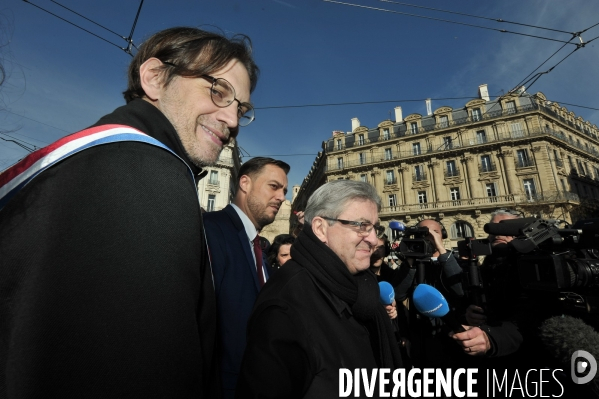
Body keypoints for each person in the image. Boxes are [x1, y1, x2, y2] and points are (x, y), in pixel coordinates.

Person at [0, 26, 259, 397]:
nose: (233, 120)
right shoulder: (145, 172)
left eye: (241, 109)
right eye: (218, 91)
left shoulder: (98, 162)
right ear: (154, 78)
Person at [236, 180, 403, 398]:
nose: (373, 240)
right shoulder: (284, 308)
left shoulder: (362, 286)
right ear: (320, 228)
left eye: (375, 228)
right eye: (361, 226)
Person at [203, 156, 289, 398]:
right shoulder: (210, 230)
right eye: (273, 186)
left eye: (283, 190)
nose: (282, 197)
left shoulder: (258, 247)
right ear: (244, 183)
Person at [395, 219, 465, 369]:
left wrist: (441, 251)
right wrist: (410, 265)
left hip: (450, 333)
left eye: (434, 233)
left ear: (443, 235)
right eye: (424, 234)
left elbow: (459, 290)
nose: (429, 238)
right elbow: (400, 295)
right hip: (421, 335)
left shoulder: (453, 261)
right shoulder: (411, 265)